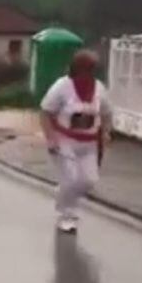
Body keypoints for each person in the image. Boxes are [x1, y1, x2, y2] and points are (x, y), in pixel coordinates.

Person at [40, 50, 113, 234]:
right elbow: (45, 112)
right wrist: (51, 138)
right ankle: (66, 215)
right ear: (78, 68)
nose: (90, 73)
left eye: (93, 70)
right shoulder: (62, 86)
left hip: (89, 143)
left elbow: (106, 113)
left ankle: (63, 194)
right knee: (71, 178)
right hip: (66, 140)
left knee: (89, 180)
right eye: (87, 69)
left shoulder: (99, 88)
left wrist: (105, 132)